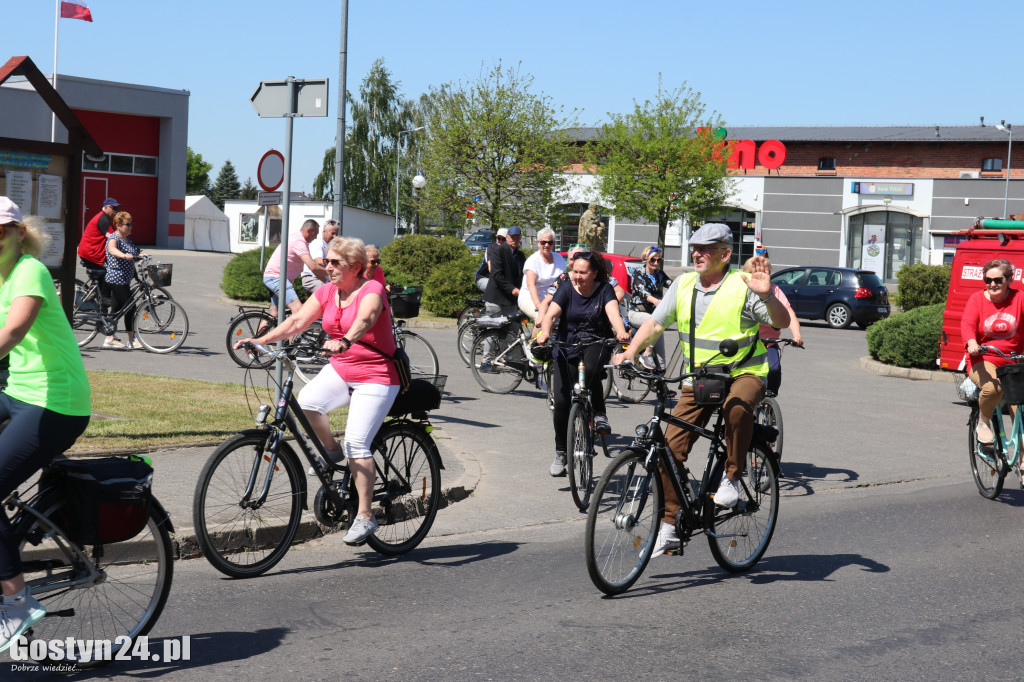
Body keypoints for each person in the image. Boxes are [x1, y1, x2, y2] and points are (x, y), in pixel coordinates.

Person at [612, 223, 790, 557]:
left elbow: (779, 322)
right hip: (701, 378)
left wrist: (766, 294)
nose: (697, 253)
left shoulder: (743, 284)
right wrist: (630, 352)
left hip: (744, 371)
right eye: (694, 247)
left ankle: (733, 478)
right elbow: (654, 324)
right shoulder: (683, 284)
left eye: (706, 248)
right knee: (668, 449)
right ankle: (670, 525)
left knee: (737, 408)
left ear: (725, 254)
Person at [238, 236, 399, 545]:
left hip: (376, 374)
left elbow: (365, 318)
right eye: (325, 261)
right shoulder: (327, 292)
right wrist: (262, 341)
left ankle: (365, 515)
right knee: (309, 403)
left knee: (357, 443)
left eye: (334, 262)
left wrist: (345, 340)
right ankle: (332, 452)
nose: (327, 267)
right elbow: (297, 320)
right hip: (342, 368)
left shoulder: (372, 289)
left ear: (354, 267)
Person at [0, 197, 91, 652]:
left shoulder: (29, 271)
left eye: (1, 230)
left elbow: (13, 331)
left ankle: (17, 603)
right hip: (18, 392)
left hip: (57, 402)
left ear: (20, 233)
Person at [536, 249, 629, 477]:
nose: (577, 276)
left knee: (591, 370)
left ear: (594, 273)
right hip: (567, 343)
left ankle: (599, 413)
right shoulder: (567, 287)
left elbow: (613, 313)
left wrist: (620, 331)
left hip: (596, 340)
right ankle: (561, 453)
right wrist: (545, 333)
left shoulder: (604, 290)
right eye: (574, 271)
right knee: (561, 403)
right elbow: (551, 315)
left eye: (582, 272)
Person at [963, 258, 1024, 454]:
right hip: (983, 358)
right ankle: (983, 421)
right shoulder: (977, 299)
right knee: (993, 388)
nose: (992, 285)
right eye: (987, 280)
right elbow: (968, 326)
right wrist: (973, 343)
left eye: (997, 280)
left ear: (1009, 280)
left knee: (1020, 410)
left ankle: (1023, 462)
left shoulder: (1020, 298)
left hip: (1015, 360)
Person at [741, 256, 804, 395]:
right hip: (744, 342)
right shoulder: (741, 289)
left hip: (768, 342)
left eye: (767, 272)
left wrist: (797, 335)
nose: (763, 275)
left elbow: (789, 313)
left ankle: (768, 402)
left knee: (774, 369)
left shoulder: (774, 290)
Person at [263, 219, 327, 323]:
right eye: (315, 234)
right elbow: (313, 266)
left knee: (275, 314)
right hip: (277, 278)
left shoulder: (296, 238)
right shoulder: (299, 242)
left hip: (271, 277)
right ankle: (292, 340)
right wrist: (333, 273)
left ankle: (255, 340)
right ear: (309, 230)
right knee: (298, 310)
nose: (315, 237)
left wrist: (327, 281)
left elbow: (314, 269)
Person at [103, 211, 150, 349]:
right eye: (127, 224)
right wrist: (124, 256)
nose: (130, 227)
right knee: (131, 307)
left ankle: (109, 338)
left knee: (116, 309)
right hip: (116, 278)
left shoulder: (127, 239)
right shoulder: (114, 238)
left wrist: (140, 255)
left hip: (124, 279)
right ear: (118, 225)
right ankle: (132, 339)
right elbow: (112, 250)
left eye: (131, 224)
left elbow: (133, 254)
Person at [627, 245, 673, 369]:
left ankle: (662, 383)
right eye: (653, 260)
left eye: (659, 260)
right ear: (646, 259)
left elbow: (671, 284)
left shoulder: (659, 274)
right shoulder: (638, 274)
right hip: (636, 313)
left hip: (655, 315)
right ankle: (647, 353)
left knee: (661, 355)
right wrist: (656, 301)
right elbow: (643, 292)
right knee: (656, 322)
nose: (656, 263)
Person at [77, 197, 120, 321]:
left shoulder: (107, 218)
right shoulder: (103, 219)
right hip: (91, 253)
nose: (116, 211)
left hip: (94, 252)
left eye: (118, 208)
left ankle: (95, 295)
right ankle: (102, 302)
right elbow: (114, 238)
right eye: (114, 208)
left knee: (102, 280)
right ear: (106, 207)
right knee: (107, 274)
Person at [518, 227, 565, 322]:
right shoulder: (533, 261)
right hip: (530, 299)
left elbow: (563, 281)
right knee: (542, 319)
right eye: (543, 242)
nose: (546, 245)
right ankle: (535, 337)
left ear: (554, 244)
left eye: (550, 242)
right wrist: (539, 306)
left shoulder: (559, 258)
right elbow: (531, 286)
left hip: (549, 299)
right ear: (538, 243)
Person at [301, 219, 339, 295]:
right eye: (333, 233)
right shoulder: (317, 243)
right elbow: (319, 262)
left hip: (323, 279)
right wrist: (335, 264)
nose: (335, 236)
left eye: (336, 234)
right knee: (331, 294)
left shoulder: (330, 246)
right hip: (312, 279)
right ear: (324, 232)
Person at [475, 228, 508, 295]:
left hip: (498, 278)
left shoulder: (508, 251)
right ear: (496, 238)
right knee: (495, 288)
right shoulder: (491, 249)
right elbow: (491, 269)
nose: (500, 241)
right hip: (483, 278)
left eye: (503, 239)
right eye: (499, 238)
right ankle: (489, 303)